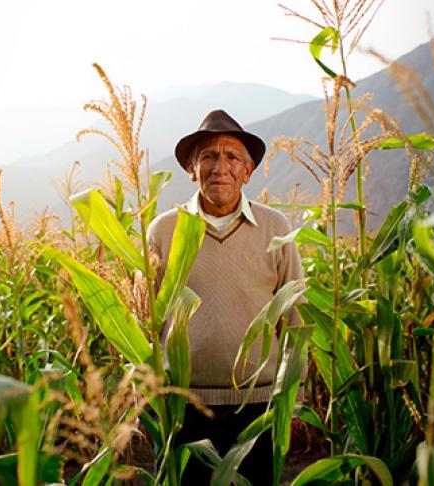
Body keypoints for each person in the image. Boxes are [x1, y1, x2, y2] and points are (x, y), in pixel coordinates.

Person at [147, 109, 304, 484]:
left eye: (232, 157)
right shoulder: (164, 230)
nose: (221, 167)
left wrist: (292, 400)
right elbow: (145, 319)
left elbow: (296, 320)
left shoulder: (275, 228)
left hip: (259, 408)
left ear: (247, 172)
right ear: (191, 168)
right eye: (209, 156)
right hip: (182, 407)